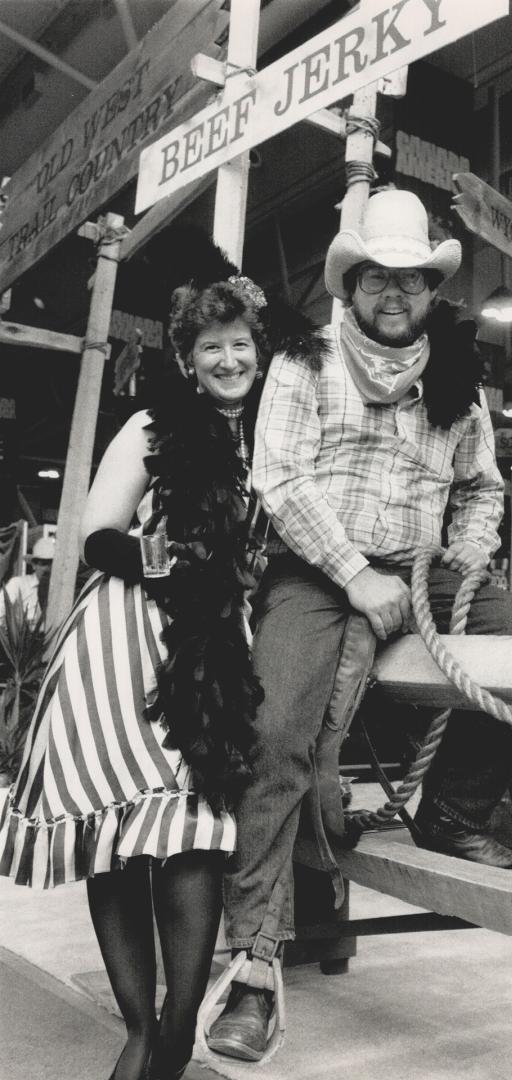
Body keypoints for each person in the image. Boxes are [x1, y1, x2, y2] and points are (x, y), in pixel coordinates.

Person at [208, 189, 512, 1062]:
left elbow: (482, 485)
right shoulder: (303, 359)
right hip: (319, 570)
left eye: (412, 278)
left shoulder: (457, 376)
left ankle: (452, 809)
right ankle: (256, 964)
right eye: (379, 276)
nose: (395, 292)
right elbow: (280, 480)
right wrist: (356, 575)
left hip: (429, 570)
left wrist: (473, 557)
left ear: (429, 288)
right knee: (276, 731)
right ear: (352, 281)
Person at [0, 255, 278, 1080]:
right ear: (187, 362)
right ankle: (137, 1032)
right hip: (123, 643)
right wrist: (179, 563)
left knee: (190, 836)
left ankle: (175, 1023)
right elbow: (96, 535)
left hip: (215, 655)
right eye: (211, 348)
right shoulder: (153, 429)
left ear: (258, 351)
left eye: (240, 345)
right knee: (120, 839)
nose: (228, 360)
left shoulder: (273, 436)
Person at [0, 534, 55, 624]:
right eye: (44, 563)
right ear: (34, 565)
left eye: (51, 564)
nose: (48, 568)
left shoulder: (58, 591)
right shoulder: (17, 585)